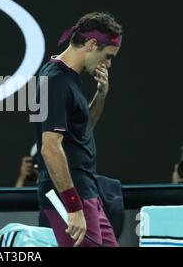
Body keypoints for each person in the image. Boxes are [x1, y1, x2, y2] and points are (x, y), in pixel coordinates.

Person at [32, 12, 123, 247]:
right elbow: (50, 149)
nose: (108, 64)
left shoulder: (67, 77)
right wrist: (72, 205)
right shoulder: (55, 81)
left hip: (86, 190)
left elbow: (83, 131)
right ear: (92, 44)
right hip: (71, 196)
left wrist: (101, 95)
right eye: (108, 56)